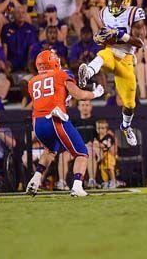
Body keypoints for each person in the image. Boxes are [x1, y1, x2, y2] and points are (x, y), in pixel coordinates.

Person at [25, 50, 104, 197]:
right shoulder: (62, 74)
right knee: (82, 153)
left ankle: (35, 179)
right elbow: (79, 95)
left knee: (50, 151)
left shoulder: (32, 82)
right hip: (55, 119)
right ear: (54, 62)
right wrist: (95, 94)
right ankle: (77, 186)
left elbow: (49, 97)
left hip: (38, 124)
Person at [79, 0, 146, 146]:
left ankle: (126, 126)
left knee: (130, 103)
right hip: (111, 52)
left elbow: (140, 42)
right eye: (112, 1)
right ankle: (87, 73)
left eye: (117, 1)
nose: (114, 4)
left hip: (127, 59)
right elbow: (102, 36)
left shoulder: (134, 13)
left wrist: (121, 35)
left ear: (126, 1)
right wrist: (100, 38)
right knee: (103, 54)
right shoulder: (104, 13)